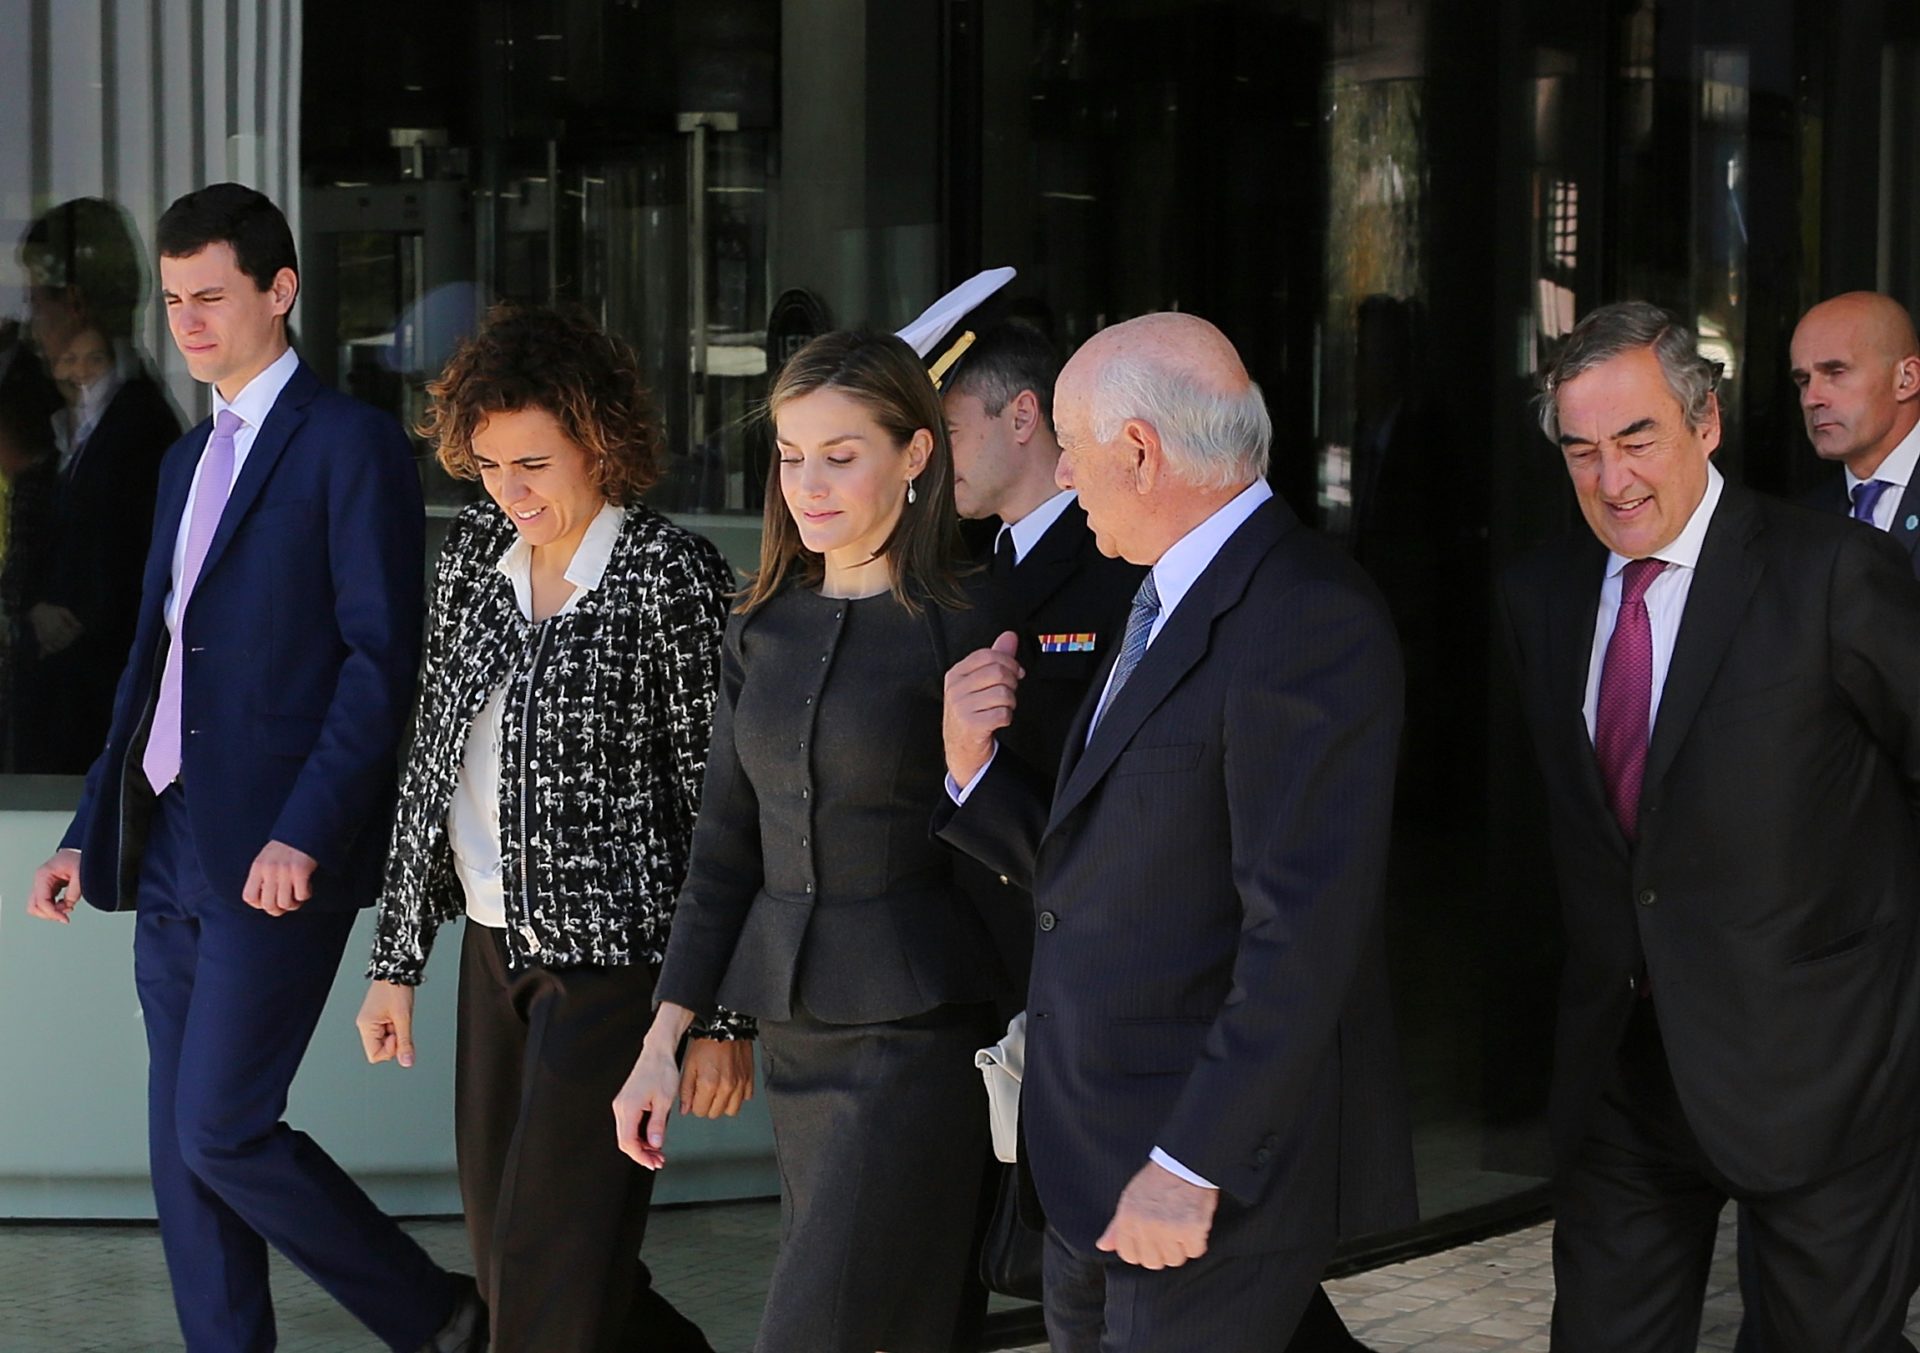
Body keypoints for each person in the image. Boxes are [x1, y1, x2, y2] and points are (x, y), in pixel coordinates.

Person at [24, 183, 482, 1353]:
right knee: (181, 1145)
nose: (187, 320)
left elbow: (385, 663)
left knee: (221, 1127)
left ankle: (437, 1316)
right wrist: (89, 824)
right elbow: (152, 661)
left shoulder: (350, 446)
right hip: (170, 839)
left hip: (277, 849)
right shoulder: (184, 464)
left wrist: (308, 827)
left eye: (211, 296)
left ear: (281, 292)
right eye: (174, 299)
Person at [938, 312, 1414, 1351]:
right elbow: (1118, 873)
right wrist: (972, 777)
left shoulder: (1301, 616)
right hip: (1092, 1166)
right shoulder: (1160, 591)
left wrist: (1191, 1163)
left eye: (1071, 445)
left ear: (1140, 452)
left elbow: (1302, 935)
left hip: (1191, 1178)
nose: (1059, 470)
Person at [1500, 300, 1920, 1350]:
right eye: (1582, 450)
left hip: (1827, 1076)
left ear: (1707, 424)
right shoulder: (1539, 596)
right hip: (1624, 1081)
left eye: (1637, 437)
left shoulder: (1830, 574)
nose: (1613, 478)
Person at [356, 303, 743, 1353]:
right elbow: (430, 760)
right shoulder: (478, 557)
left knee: (540, 1270)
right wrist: (397, 961)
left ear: (599, 442)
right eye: (486, 465)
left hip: (620, 973)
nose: (510, 491)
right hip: (493, 955)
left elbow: (728, 810)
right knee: (518, 1258)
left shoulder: (672, 578)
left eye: (534, 462)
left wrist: (718, 1018)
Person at [614, 329, 1004, 1352]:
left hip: (916, 1035)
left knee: (817, 1324)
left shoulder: (971, 621)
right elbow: (724, 847)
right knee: (903, 1326)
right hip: (794, 1028)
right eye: (791, 456)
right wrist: (666, 1037)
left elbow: (1025, 847)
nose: (808, 484)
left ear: (916, 455)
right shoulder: (763, 629)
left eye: (842, 454)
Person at [1790, 292, 1920, 572]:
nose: (1811, 398)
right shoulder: (1805, 518)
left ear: (1906, 380)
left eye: (1836, 373)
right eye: (1803, 380)